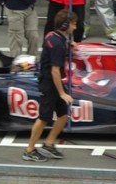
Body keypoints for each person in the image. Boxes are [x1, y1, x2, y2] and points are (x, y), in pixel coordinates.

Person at [23, 9, 77, 162]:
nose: (75, 28)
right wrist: (61, 93)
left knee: (63, 115)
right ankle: (29, 150)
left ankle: (48, 144)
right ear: (65, 25)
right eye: (73, 24)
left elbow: (56, 49)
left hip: (54, 82)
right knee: (44, 117)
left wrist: (69, 46)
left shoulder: (53, 36)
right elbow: (55, 71)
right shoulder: (58, 44)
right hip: (49, 84)